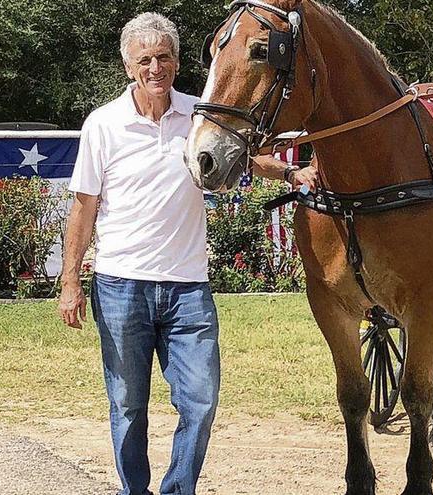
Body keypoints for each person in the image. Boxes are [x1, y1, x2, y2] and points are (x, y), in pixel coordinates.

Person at [55, 13, 314, 495]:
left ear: (177, 61)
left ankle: (178, 490)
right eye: (145, 60)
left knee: (200, 401)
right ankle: (135, 489)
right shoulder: (103, 125)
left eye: (165, 57)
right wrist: (71, 282)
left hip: (188, 290)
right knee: (128, 404)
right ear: (128, 66)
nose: (156, 67)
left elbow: (243, 152)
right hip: (120, 287)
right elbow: (83, 207)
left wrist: (289, 174)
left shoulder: (199, 113)